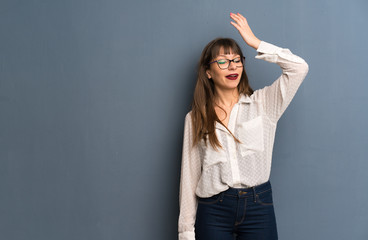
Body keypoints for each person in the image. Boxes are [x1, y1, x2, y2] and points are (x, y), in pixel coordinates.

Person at [178, 12, 309, 240]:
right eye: (223, 61)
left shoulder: (264, 104)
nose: (232, 66)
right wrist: (186, 232)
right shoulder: (195, 117)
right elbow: (189, 177)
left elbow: (299, 68)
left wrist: (255, 42)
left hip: (259, 206)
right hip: (213, 209)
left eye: (237, 60)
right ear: (208, 72)